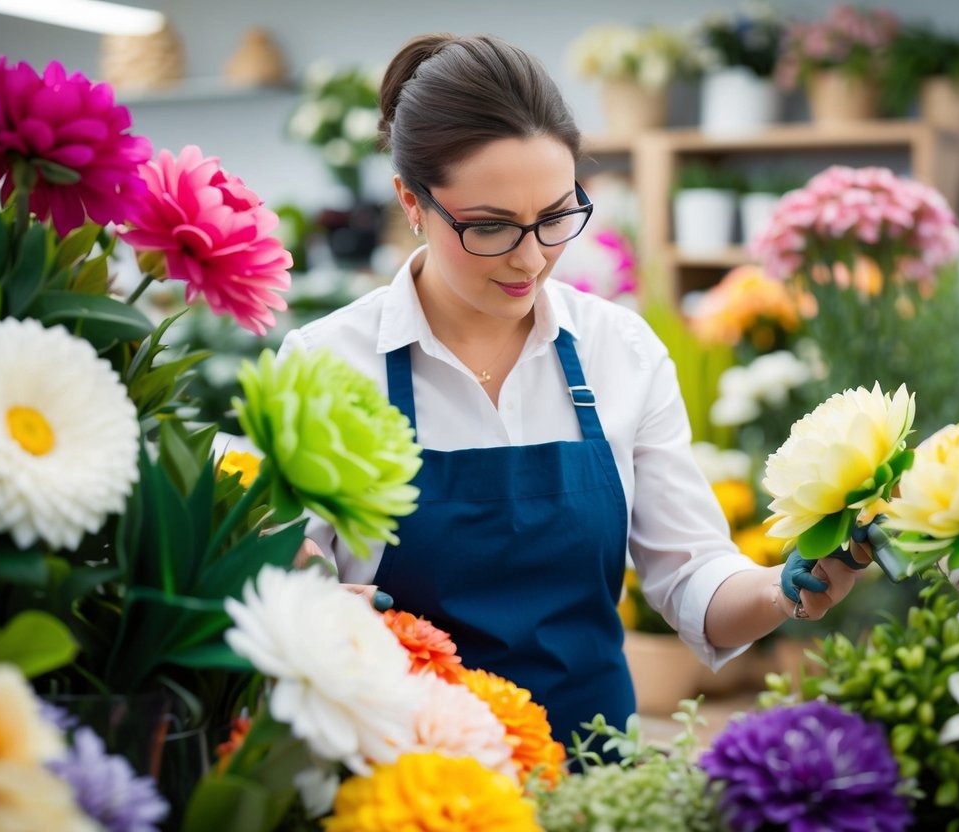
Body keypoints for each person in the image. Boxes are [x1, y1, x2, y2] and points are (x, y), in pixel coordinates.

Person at [282, 33, 873, 747]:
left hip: (591, 776)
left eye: (556, 216)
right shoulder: (325, 367)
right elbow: (284, 588)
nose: (531, 258)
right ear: (412, 201)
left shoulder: (617, 352)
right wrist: (308, 607)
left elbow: (692, 578)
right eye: (491, 227)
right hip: (402, 781)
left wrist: (782, 588)